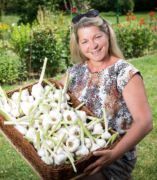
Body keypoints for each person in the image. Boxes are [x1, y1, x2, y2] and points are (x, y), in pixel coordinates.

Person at [59, 10, 153, 180]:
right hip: (81, 147)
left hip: (115, 152)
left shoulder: (125, 72)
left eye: (97, 37)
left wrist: (114, 154)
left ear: (107, 34)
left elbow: (145, 122)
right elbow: (51, 96)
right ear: (79, 45)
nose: (92, 45)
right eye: (85, 41)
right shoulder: (75, 72)